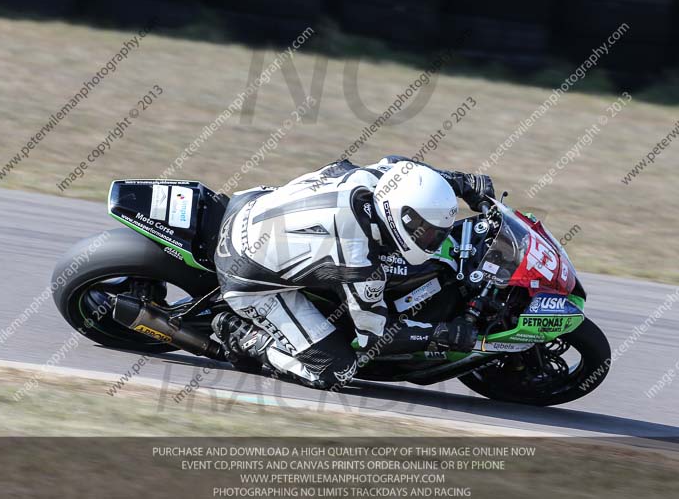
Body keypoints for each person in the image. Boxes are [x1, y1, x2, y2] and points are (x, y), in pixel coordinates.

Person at [211, 156, 494, 389]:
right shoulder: (358, 259)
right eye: (428, 232)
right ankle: (247, 339)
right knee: (336, 371)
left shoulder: (377, 181)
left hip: (250, 204)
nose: (435, 241)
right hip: (245, 277)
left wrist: (463, 183)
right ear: (402, 218)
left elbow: (403, 166)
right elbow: (374, 338)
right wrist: (442, 333)